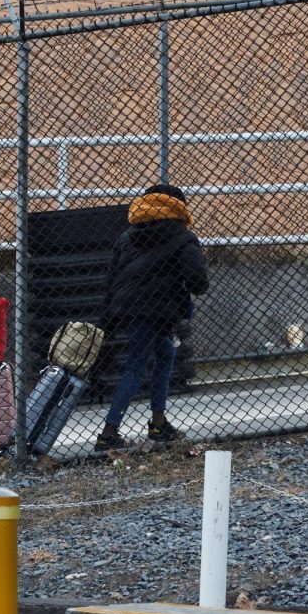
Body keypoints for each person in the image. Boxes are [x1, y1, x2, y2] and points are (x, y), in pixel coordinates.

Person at [94, 183, 209, 451]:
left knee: (165, 354)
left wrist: (109, 313)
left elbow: (111, 277)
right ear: (177, 207)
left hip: (129, 309)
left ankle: (158, 422)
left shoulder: (127, 236)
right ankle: (108, 432)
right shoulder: (181, 236)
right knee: (136, 367)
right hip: (159, 310)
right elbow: (198, 281)